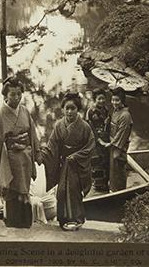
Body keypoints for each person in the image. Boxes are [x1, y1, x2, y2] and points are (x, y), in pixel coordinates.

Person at [0, 77, 40, 228]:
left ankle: (25, 222)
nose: (16, 97)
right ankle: (13, 222)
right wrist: (9, 150)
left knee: (25, 190)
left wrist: (37, 152)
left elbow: (32, 134)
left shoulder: (25, 111)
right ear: (5, 95)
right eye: (12, 94)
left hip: (25, 158)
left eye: (19, 94)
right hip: (9, 159)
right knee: (11, 190)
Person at [40, 92, 95, 231]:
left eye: (73, 108)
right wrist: (43, 153)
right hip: (64, 163)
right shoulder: (59, 125)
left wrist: (76, 156)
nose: (69, 111)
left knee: (74, 190)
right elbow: (52, 145)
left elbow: (90, 146)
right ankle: (63, 219)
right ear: (63, 109)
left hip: (77, 165)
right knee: (62, 191)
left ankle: (77, 219)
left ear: (78, 110)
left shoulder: (85, 127)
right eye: (67, 108)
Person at [99, 87, 132, 192]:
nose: (114, 102)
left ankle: (120, 191)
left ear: (122, 100)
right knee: (113, 169)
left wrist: (111, 144)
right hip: (113, 144)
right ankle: (113, 189)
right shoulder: (116, 111)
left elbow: (122, 133)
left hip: (119, 146)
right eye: (113, 100)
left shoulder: (125, 115)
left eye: (117, 100)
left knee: (118, 167)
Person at [85, 88, 110, 191]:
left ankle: (105, 183)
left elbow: (107, 125)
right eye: (99, 99)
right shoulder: (91, 111)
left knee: (105, 161)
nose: (101, 101)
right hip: (95, 140)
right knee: (97, 161)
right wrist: (98, 140)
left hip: (106, 138)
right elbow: (90, 128)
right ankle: (97, 185)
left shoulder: (106, 109)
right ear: (95, 99)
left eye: (103, 98)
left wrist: (107, 122)